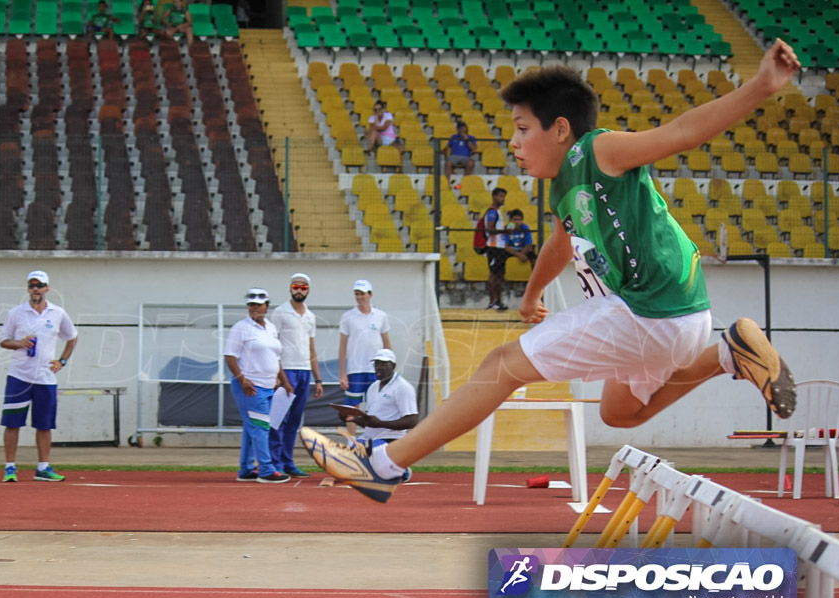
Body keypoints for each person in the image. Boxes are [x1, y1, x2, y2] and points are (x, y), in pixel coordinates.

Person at [302, 40, 801, 504]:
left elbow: (679, 133)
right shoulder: (566, 189)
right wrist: (531, 293)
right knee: (618, 413)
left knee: (500, 366)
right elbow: (560, 243)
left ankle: (383, 465)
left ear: (560, 129)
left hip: (647, 309)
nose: (513, 142)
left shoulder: (597, 151)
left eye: (523, 129)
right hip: (681, 321)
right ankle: (726, 354)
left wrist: (760, 86)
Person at [0, 270, 78, 483]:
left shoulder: (57, 313)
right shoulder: (16, 313)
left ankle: (42, 468)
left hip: (45, 377)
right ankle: (10, 467)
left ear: (47, 289)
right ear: (27, 289)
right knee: (12, 423)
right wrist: (18, 343)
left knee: (44, 424)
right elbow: (3, 340)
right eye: (32, 285)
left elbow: (72, 337)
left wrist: (62, 361)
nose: (35, 289)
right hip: (19, 376)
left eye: (39, 285)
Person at [224, 288, 292, 484]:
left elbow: (275, 357)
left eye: (258, 304)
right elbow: (230, 356)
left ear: (266, 306)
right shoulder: (241, 327)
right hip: (251, 387)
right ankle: (266, 469)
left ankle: (245, 469)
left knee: (251, 428)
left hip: (269, 386)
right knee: (261, 427)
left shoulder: (270, 327)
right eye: (251, 304)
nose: (254, 308)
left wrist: (284, 381)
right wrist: (241, 378)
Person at [268, 273, 324, 478]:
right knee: (279, 418)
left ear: (308, 290)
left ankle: (288, 460)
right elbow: (274, 345)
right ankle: (276, 462)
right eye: (295, 286)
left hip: (304, 371)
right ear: (290, 288)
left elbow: (312, 348)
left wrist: (318, 379)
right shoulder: (280, 313)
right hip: (287, 370)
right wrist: (278, 374)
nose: (299, 290)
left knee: (294, 420)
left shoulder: (310, 316)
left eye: (303, 287)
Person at [338, 279, 391, 416]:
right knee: (352, 406)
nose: (359, 297)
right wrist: (342, 373)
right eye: (357, 294)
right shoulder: (347, 317)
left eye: (362, 294)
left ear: (370, 294)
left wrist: (389, 368)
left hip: (375, 369)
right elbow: (342, 346)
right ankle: (351, 437)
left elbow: (387, 343)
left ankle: (372, 436)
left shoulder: (380, 316)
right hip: (355, 369)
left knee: (376, 404)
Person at [482, 187, 511, 311]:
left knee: (499, 274)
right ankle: (492, 301)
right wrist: (504, 230)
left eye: (503, 196)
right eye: (500, 196)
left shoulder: (498, 212)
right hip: (494, 247)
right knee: (494, 274)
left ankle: (498, 301)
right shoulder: (492, 212)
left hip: (499, 246)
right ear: (494, 197)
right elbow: (489, 228)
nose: (502, 199)